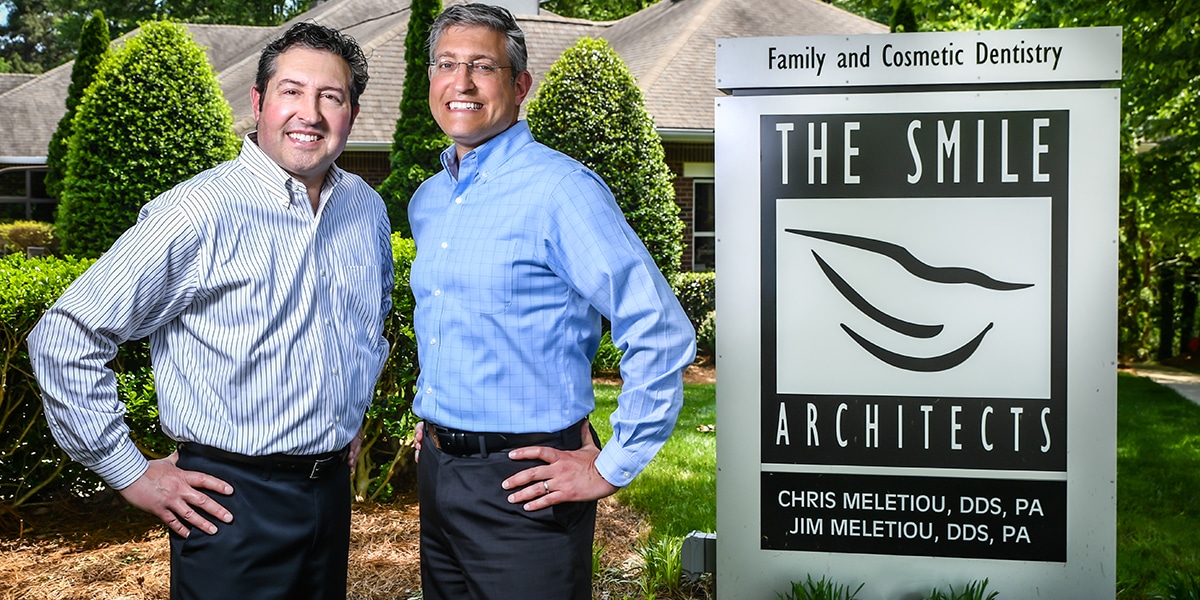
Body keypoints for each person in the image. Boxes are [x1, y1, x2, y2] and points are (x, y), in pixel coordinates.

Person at [26, 22, 392, 600]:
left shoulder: (365, 210)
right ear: (258, 102)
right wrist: (128, 469)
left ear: (351, 110)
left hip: (329, 494)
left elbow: (368, 325)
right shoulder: (198, 211)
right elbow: (66, 334)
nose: (310, 113)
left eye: (331, 96)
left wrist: (349, 409)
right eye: (292, 92)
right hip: (228, 504)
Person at [408, 4, 697, 599]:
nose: (460, 83)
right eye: (447, 64)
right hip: (438, 474)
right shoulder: (431, 199)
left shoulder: (561, 191)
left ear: (519, 85)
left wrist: (612, 464)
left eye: (481, 66)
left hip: (527, 485)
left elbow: (659, 328)